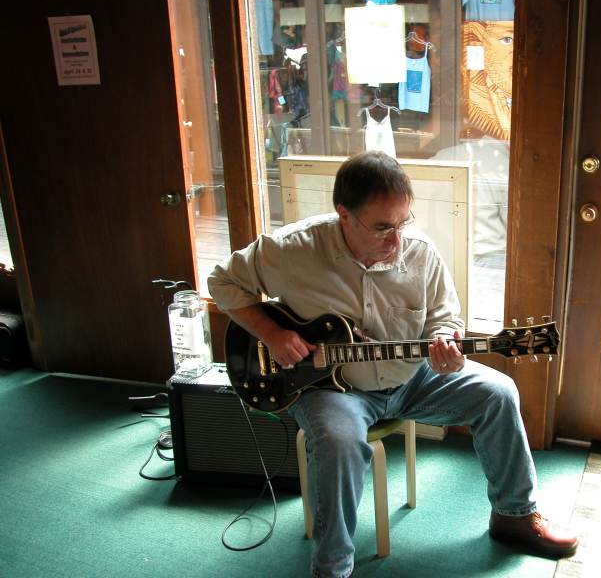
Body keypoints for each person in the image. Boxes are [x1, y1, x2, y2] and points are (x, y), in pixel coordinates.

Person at [208, 151, 577, 578]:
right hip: (327, 388)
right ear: (343, 214)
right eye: (383, 227)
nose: (397, 238)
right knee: (339, 441)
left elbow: (445, 315)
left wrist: (444, 340)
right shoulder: (292, 249)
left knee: (498, 393)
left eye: (403, 222)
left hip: (412, 377)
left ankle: (514, 514)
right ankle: (332, 567)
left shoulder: (421, 253)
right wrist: (272, 334)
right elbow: (223, 281)